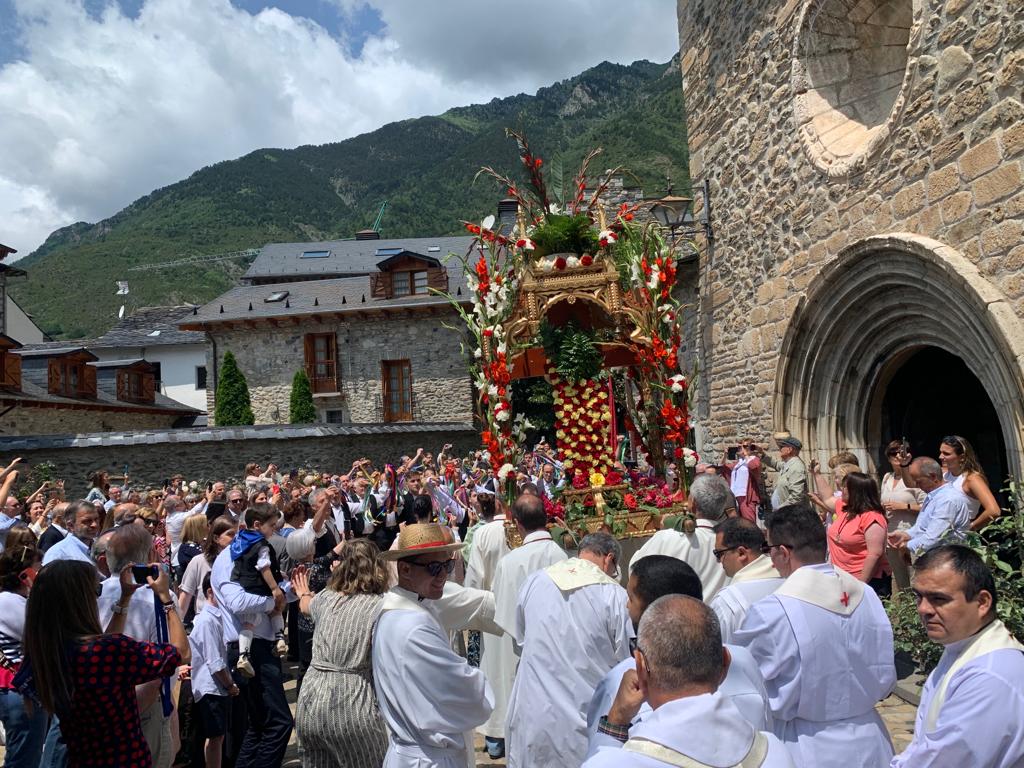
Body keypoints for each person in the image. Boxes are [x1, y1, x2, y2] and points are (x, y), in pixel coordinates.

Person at [734, 503, 896, 768]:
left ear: (783, 552)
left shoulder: (772, 611)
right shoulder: (866, 594)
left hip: (807, 745)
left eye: (769, 550)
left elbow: (750, 684)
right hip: (872, 738)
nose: (770, 560)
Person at [586, 555, 773, 760]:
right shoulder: (744, 660)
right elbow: (766, 726)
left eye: (631, 598)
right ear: (725, 662)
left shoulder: (620, 682)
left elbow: (599, 757)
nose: (626, 607)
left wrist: (615, 721)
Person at [20, 559, 189, 768]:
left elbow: (101, 650)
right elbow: (181, 653)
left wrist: (124, 600)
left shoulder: (45, 655)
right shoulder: (112, 651)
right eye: (96, 591)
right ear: (81, 601)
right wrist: (166, 599)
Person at [506, 531, 632, 768]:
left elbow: (521, 639)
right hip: (585, 713)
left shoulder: (536, 581)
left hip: (535, 709)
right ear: (609, 559)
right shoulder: (614, 595)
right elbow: (626, 661)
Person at [891, 545, 1024, 767]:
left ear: (982, 602)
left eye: (938, 598)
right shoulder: (962, 647)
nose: (923, 609)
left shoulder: (989, 675)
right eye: (919, 596)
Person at [373, 523, 493, 767]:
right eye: (434, 568)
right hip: (428, 758)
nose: (443, 576)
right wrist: (479, 681)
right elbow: (467, 692)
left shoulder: (397, 609)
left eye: (447, 566)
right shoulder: (413, 625)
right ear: (405, 569)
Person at [292, 539, 390, 768]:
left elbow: (305, 606)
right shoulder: (380, 605)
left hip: (310, 700)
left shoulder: (326, 598)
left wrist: (303, 592)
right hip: (352, 701)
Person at [483, 494, 567, 759]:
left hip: (521, 653)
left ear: (517, 523)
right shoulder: (563, 555)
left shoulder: (509, 563)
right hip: (558, 653)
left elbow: (503, 612)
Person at [96, 524, 177, 767]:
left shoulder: (91, 595)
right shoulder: (158, 598)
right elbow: (174, 656)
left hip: (97, 709)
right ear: (151, 555)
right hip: (142, 711)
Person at [462, 489, 513, 758]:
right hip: (520, 609)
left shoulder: (483, 533)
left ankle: (495, 739)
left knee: (495, 672)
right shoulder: (521, 531)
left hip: (492, 607)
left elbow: (474, 578)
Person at [629, 473, 730, 601]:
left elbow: (635, 570)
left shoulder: (668, 537)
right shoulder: (732, 543)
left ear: (693, 503)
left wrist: (662, 534)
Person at [0, 543, 47, 768]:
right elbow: (44, 635)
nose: (42, 572)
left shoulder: (15, 601)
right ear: (24, 574)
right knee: (24, 757)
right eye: (39, 567)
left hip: (20, 687)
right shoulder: (10, 602)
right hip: (18, 688)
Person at [229, 503, 288, 676]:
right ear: (257, 525)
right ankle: (279, 638)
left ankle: (243, 655)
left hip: (244, 584)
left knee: (248, 622)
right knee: (276, 608)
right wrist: (275, 588)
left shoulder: (240, 539)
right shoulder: (261, 544)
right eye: (272, 525)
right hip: (260, 586)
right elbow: (264, 567)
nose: (274, 529)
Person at [188, 574, 240, 768]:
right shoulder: (206, 621)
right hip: (211, 688)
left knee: (218, 736)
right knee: (215, 738)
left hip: (217, 687)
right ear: (210, 592)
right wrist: (230, 684)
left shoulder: (216, 618)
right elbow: (215, 662)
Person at [708, 518, 783, 643]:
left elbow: (719, 650)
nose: (718, 561)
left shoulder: (727, 603)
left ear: (741, 553)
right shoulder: (790, 579)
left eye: (719, 553)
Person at [888, 457, 971, 557]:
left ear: (933, 476)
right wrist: (905, 535)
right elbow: (921, 527)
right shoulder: (933, 496)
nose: (917, 485)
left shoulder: (947, 500)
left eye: (919, 481)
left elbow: (933, 538)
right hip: (935, 557)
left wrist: (906, 546)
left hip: (947, 558)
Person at [826, 472, 891, 596]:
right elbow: (827, 498)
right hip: (843, 577)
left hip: (867, 580)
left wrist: (860, 585)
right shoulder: (846, 509)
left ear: (856, 491)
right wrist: (816, 474)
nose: (841, 489)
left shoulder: (872, 517)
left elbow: (874, 554)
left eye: (845, 487)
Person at [880, 440, 926, 590]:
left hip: (911, 534)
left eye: (900, 453)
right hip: (891, 535)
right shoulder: (887, 477)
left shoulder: (915, 478)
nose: (896, 456)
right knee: (901, 582)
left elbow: (928, 507)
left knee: (916, 579)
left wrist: (904, 506)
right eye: (892, 453)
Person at [937, 435, 1001, 530]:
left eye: (946, 454)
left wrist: (970, 527)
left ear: (962, 457)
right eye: (941, 452)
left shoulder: (972, 479)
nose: (940, 457)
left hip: (958, 535)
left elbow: (994, 511)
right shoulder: (943, 474)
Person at [179, 516, 236, 618]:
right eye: (231, 534)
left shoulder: (241, 562)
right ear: (216, 538)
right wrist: (177, 622)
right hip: (206, 621)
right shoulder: (199, 561)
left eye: (238, 534)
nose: (236, 538)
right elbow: (185, 596)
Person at [40, 501, 101, 567]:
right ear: (71, 525)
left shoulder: (101, 546)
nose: (94, 525)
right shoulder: (58, 554)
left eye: (96, 519)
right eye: (87, 521)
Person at [757, 434, 808, 509]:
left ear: (789, 449)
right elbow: (776, 464)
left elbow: (796, 496)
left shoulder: (796, 467)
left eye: (781, 447)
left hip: (789, 513)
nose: (780, 449)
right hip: (783, 512)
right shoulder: (788, 464)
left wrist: (781, 509)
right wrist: (762, 454)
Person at [721, 440, 764, 523]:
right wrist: (725, 455)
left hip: (746, 497)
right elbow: (722, 468)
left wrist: (746, 454)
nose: (741, 448)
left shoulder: (754, 459)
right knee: (737, 523)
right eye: (739, 447)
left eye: (744, 446)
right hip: (735, 495)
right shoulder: (738, 463)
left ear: (750, 448)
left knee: (748, 522)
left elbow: (753, 466)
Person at [176, 514, 208, 582]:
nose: (209, 527)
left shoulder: (202, 543)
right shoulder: (187, 549)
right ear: (199, 528)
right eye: (207, 525)